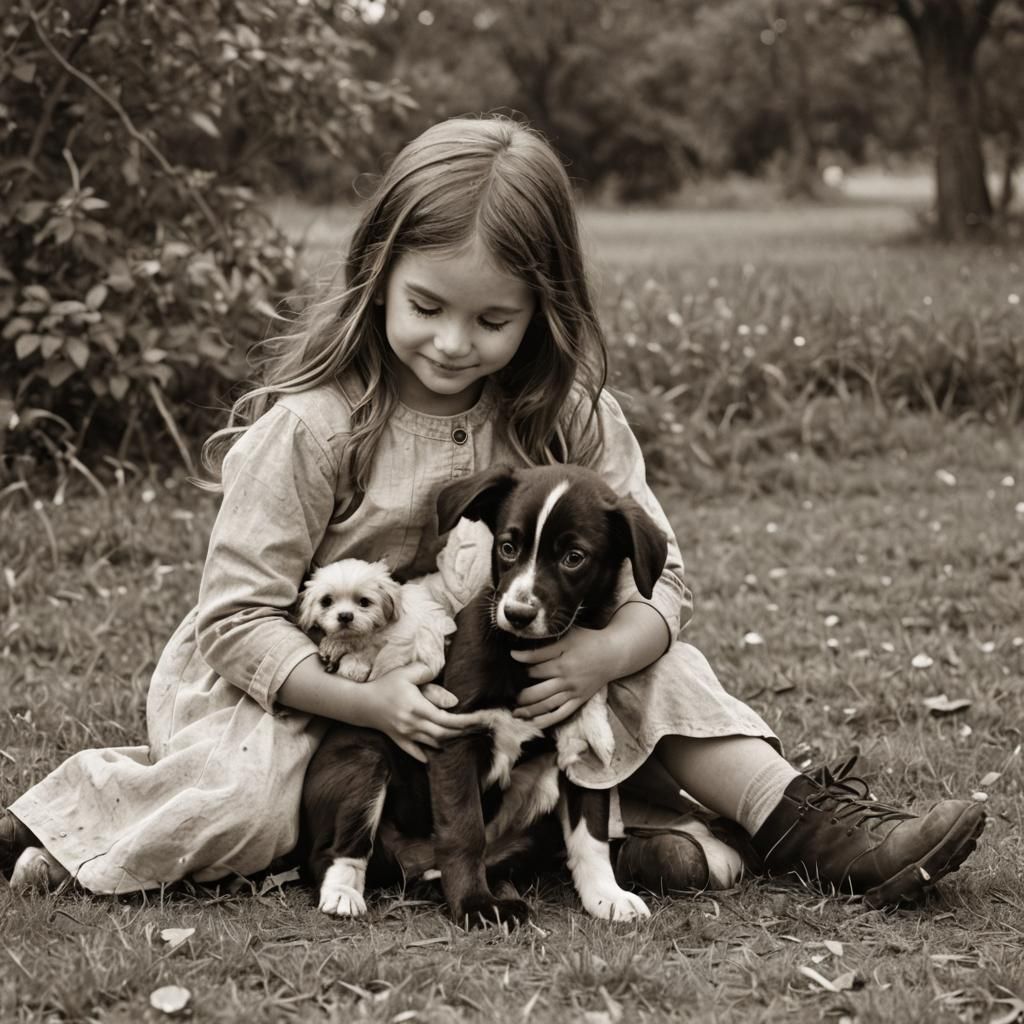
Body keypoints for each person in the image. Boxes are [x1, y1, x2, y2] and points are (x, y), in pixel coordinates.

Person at [1, 115, 985, 907]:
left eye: (492, 319)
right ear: (378, 273)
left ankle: (805, 823)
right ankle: (78, 830)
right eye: (427, 306)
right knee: (254, 799)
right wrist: (370, 702)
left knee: (660, 673)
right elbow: (234, 619)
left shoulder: (571, 418)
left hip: (511, 665)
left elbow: (663, 577)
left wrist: (607, 651)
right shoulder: (315, 427)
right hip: (327, 683)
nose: (452, 343)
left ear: (543, 308)